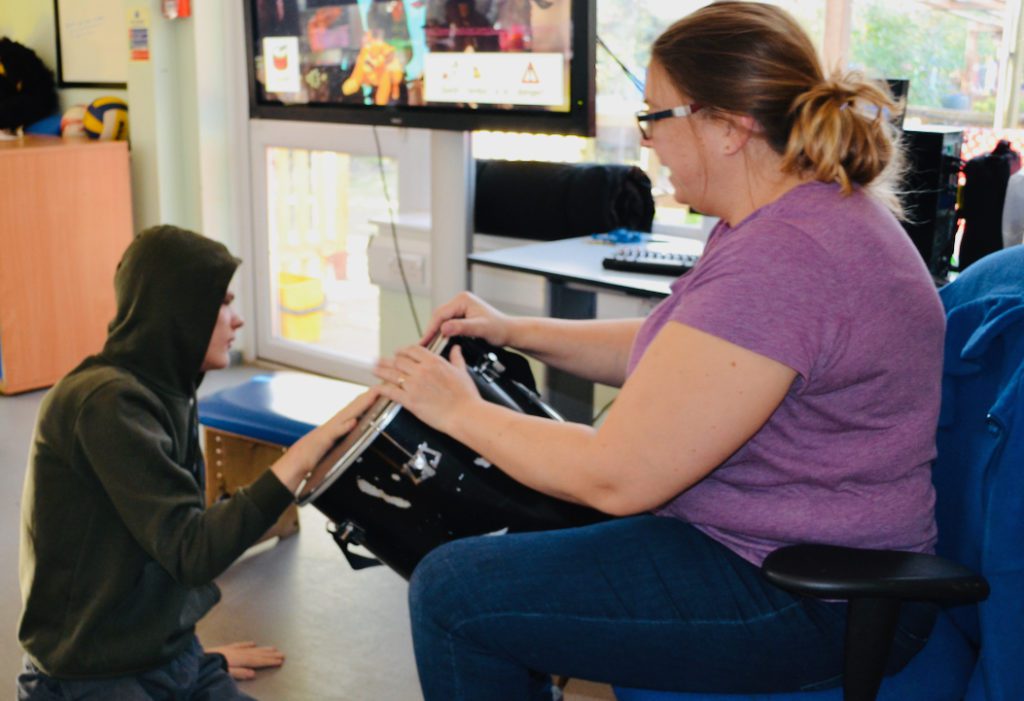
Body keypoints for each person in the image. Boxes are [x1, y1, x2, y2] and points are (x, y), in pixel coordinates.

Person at [373, 3, 945, 698]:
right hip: (770, 550)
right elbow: (679, 354)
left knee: (453, 593)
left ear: (728, 127)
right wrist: (515, 328)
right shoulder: (785, 218)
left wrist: (457, 411)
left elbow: (618, 477)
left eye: (657, 118)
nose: (649, 143)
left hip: (809, 595)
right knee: (521, 531)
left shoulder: (788, 257)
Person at [17, 225, 376, 700]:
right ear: (178, 312)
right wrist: (300, 458)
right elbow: (191, 550)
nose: (237, 319)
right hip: (88, 678)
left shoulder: (167, 391)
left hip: (168, 658)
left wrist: (190, 653)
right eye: (223, 303)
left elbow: (167, 541)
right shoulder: (106, 405)